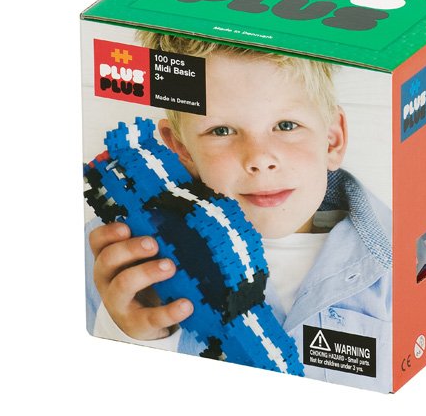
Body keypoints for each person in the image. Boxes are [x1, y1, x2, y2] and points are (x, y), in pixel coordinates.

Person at [86, 32, 393, 391]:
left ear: (332, 139)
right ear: (180, 150)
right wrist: (128, 337)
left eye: (286, 125)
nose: (259, 158)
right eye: (222, 130)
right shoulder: (119, 255)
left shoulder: (406, 259)